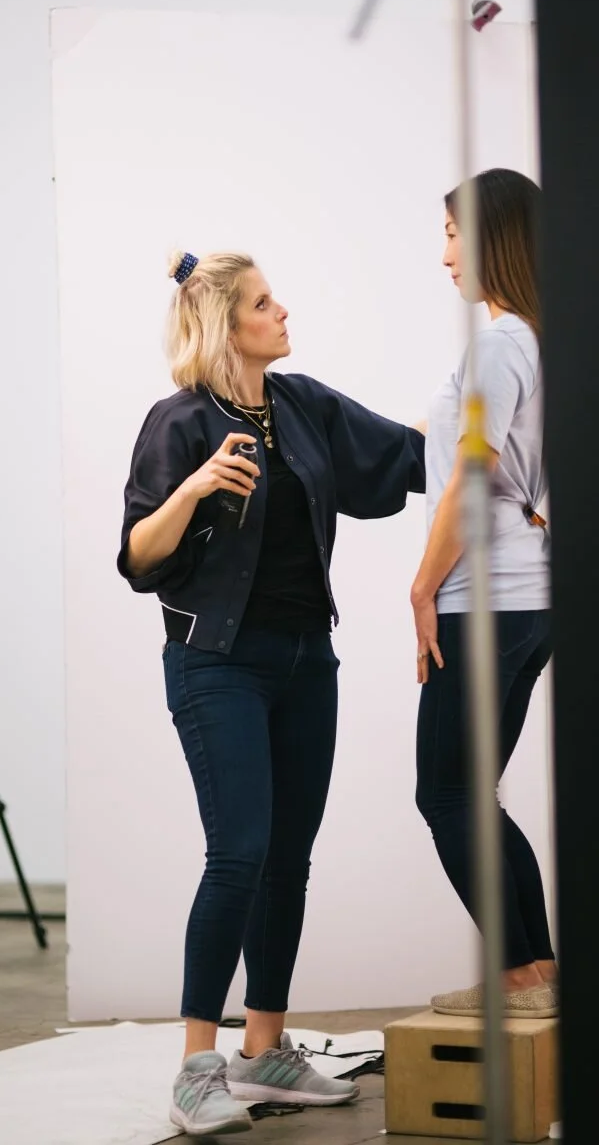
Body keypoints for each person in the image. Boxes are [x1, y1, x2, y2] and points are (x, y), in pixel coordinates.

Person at [118, 249, 426, 1136]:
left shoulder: (302, 404)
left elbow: (401, 455)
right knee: (239, 854)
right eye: (263, 302)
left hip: (305, 661)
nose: (282, 310)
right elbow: (138, 556)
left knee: (287, 859)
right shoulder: (175, 423)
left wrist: (487, 420)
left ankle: (265, 1052)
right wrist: (197, 486)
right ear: (228, 325)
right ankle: (195, 1069)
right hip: (217, 664)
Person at [412, 168, 557, 1018]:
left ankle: (514, 980)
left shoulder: (502, 343)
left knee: (447, 795)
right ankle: (535, 977)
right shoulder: (542, 339)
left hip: (483, 600)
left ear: (491, 236)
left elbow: (470, 476)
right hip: (528, 598)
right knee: (477, 794)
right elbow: (495, 461)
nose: (445, 257)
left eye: (454, 234)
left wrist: (423, 586)